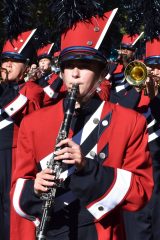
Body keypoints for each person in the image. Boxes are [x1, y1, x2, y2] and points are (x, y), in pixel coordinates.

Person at [11, 8, 153, 240]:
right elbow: (18, 187)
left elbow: (140, 193)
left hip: (99, 232)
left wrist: (87, 167)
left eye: (85, 65)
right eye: (68, 65)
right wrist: (34, 187)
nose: (75, 74)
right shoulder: (33, 123)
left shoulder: (130, 122)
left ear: (101, 73)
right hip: (52, 229)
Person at [0, 29, 44, 240]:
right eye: (5, 60)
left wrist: (3, 91)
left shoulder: (31, 89)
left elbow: (31, 115)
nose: (7, 65)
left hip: (14, 158)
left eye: (14, 61)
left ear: (26, 66)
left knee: (12, 216)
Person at [121, 38, 160, 240]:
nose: (154, 71)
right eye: (151, 66)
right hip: (138, 173)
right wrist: (139, 90)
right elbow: (122, 111)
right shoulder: (134, 95)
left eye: (159, 67)